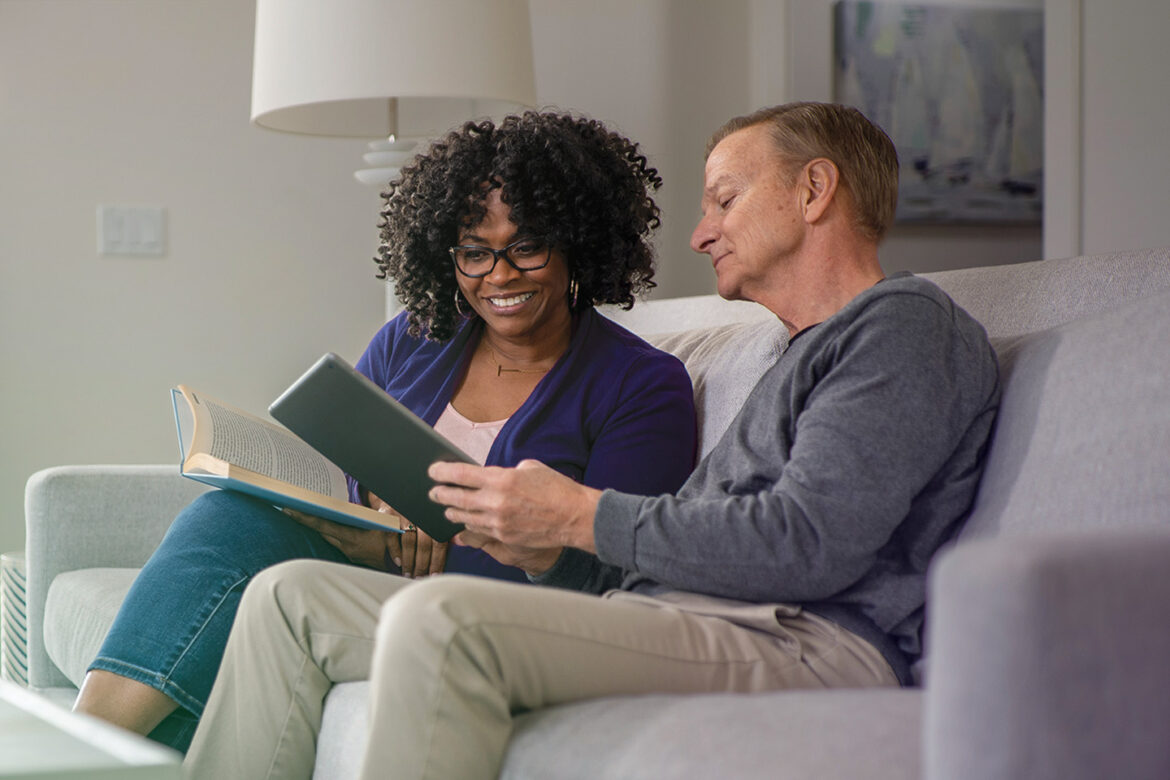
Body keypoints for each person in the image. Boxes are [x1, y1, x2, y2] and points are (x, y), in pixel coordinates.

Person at [182, 102, 1002, 780]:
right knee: (288, 600)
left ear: (815, 189)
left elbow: (809, 544)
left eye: (725, 198)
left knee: (446, 624)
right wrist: (537, 545)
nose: (700, 232)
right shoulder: (796, 352)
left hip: (802, 636)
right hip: (693, 614)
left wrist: (578, 515)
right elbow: (672, 547)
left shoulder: (901, 328)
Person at [72, 110, 698, 752]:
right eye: (474, 254)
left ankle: (80, 756)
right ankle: (78, 748)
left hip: (491, 614)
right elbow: (345, 468)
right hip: (359, 576)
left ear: (580, 243)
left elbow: (610, 581)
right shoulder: (413, 338)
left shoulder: (643, 385)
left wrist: (415, 547)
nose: (500, 275)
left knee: (237, 634)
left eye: (528, 246)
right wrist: (372, 514)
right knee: (225, 517)